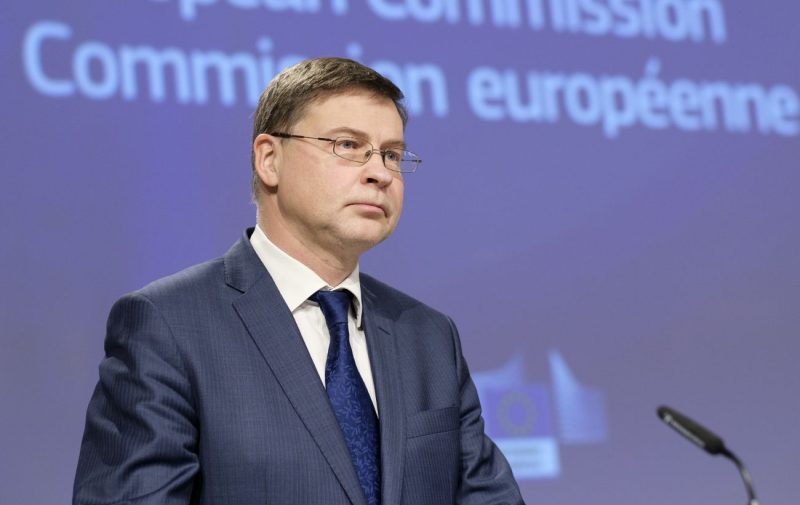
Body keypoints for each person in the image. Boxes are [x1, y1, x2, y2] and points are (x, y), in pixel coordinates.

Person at [74, 57, 524, 505]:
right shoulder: (169, 325)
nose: (381, 173)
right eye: (348, 145)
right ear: (269, 160)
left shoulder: (428, 335)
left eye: (391, 154)